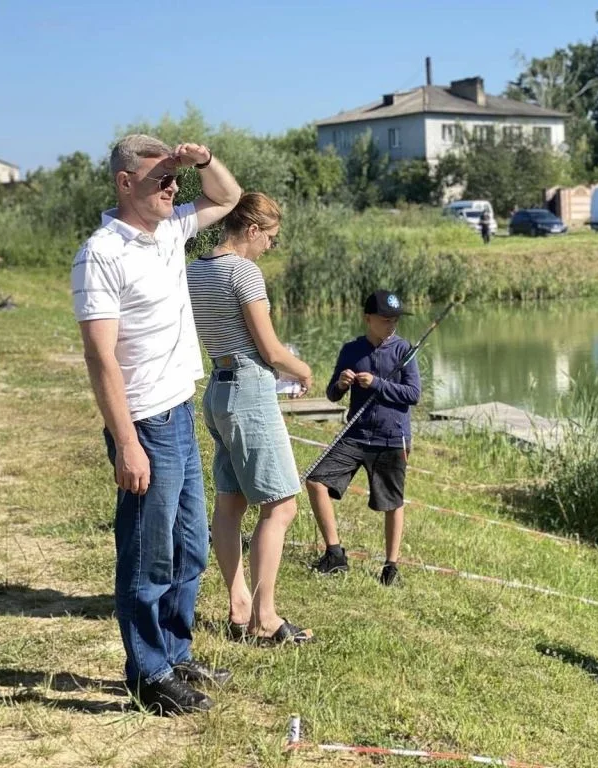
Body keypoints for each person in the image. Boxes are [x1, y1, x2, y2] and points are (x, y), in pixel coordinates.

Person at [72, 134, 241, 716]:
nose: (173, 189)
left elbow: (229, 196)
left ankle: (174, 652)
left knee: (190, 548)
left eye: (175, 180)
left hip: (181, 408)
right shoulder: (101, 253)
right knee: (148, 554)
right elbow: (100, 357)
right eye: (159, 180)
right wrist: (125, 442)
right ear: (125, 184)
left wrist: (200, 161)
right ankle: (147, 673)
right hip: (144, 422)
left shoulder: (170, 228)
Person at [186, 192, 314, 646]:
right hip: (249, 391)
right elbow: (271, 349)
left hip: (218, 389)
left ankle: (239, 603)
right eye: (271, 238)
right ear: (253, 230)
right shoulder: (244, 271)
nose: (270, 248)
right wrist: (302, 370)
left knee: (230, 503)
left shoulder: (196, 270)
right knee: (281, 505)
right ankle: (265, 617)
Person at [306, 290, 421, 586]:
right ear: (367, 318)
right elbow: (332, 395)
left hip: (392, 438)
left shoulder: (404, 350)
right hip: (355, 434)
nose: (391, 325)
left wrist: (377, 384)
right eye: (385, 320)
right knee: (316, 480)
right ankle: (335, 554)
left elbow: (413, 395)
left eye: (395, 319)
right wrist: (342, 384)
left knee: (393, 502)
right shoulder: (351, 350)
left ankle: (391, 567)